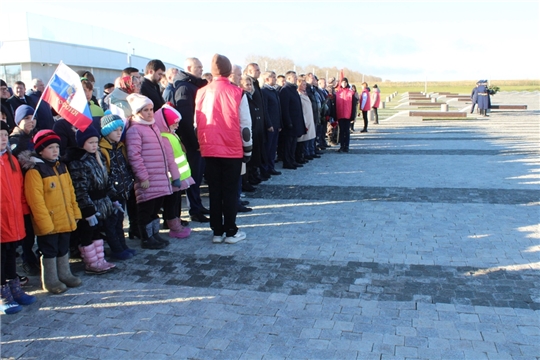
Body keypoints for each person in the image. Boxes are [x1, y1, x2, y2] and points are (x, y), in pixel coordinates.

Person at [195, 54, 252, 244]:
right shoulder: (238, 92)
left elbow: (197, 122)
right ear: (229, 71)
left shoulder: (201, 92)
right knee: (230, 191)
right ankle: (231, 230)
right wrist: (248, 149)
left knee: (214, 191)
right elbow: (245, 125)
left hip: (209, 148)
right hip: (232, 148)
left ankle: (217, 231)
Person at [22, 129, 82, 293]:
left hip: (65, 218)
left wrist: (75, 213)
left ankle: (64, 274)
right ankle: (50, 280)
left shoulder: (61, 166)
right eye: (50, 147)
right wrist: (44, 224)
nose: (55, 150)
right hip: (49, 221)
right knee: (49, 250)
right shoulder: (35, 171)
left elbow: (70, 192)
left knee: (63, 247)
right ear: (40, 150)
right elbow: (36, 202)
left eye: (57, 146)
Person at [125, 93, 177, 249]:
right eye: (145, 110)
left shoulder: (153, 126)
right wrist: (142, 176)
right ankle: (146, 237)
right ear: (137, 112)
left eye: (151, 109)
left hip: (159, 175)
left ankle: (154, 234)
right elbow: (134, 155)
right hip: (148, 177)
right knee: (146, 209)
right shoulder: (135, 130)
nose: (149, 113)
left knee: (155, 208)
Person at [64, 126, 116, 274]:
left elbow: (106, 180)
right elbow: (80, 188)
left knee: (97, 233)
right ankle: (91, 262)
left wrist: (113, 198)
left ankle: (100, 259)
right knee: (87, 234)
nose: (94, 145)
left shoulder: (97, 157)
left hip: (101, 202)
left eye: (95, 142)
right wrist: (87, 210)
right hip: (89, 205)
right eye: (90, 142)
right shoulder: (77, 162)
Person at [166, 57, 209, 223]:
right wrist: (194, 143)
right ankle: (194, 209)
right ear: (189, 67)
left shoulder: (192, 85)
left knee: (197, 175)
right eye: (198, 67)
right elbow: (185, 119)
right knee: (192, 176)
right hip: (191, 142)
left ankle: (198, 205)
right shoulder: (184, 88)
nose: (201, 69)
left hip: (197, 139)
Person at [1, 121, 37, 314]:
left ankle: (14, 286)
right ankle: (2, 293)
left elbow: (21, 188)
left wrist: (23, 211)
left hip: (13, 217)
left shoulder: (12, 160)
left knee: (10, 254)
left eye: (5, 136)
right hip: (1, 218)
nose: (3, 139)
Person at [99, 114, 136, 260]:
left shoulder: (120, 147)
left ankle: (123, 245)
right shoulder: (103, 150)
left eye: (121, 129)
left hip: (123, 190)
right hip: (112, 193)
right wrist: (111, 192)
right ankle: (116, 249)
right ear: (107, 131)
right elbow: (105, 173)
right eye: (116, 130)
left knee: (120, 219)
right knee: (111, 222)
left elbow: (125, 167)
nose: (119, 133)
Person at [154, 105, 194, 238]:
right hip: (173, 178)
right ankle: (174, 227)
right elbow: (170, 159)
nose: (177, 125)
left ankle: (176, 223)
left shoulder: (171, 134)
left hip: (179, 176)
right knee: (171, 203)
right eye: (174, 123)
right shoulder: (165, 137)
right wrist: (175, 177)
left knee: (176, 202)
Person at [279, 71, 305, 169]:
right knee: (288, 143)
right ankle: (287, 161)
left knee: (293, 143)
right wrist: (288, 121)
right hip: (290, 122)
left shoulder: (293, 90)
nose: (296, 79)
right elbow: (284, 108)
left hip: (296, 121)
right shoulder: (285, 90)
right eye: (294, 77)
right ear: (288, 78)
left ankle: (292, 160)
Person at [260, 71, 282, 176]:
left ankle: (271, 167)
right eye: (273, 77)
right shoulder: (264, 91)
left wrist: (280, 124)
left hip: (276, 124)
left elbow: (278, 109)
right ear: (267, 79)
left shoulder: (274, 91)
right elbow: (265, 110)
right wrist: (269, 124)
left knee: (273, 148)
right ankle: (265, 169)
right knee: (267, 148)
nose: (275, 79)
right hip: (270, 125)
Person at [335, 78, 355, 152]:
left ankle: (346, 146)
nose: (344, 84)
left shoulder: (351, 93)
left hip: (347, 115)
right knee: (341, 131)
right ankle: (341, 145)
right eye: (342, 82)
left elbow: (353, 105)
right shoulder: (338, 93)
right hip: (340, 114)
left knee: (346, 131)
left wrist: (353, 116)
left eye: (345, 82)